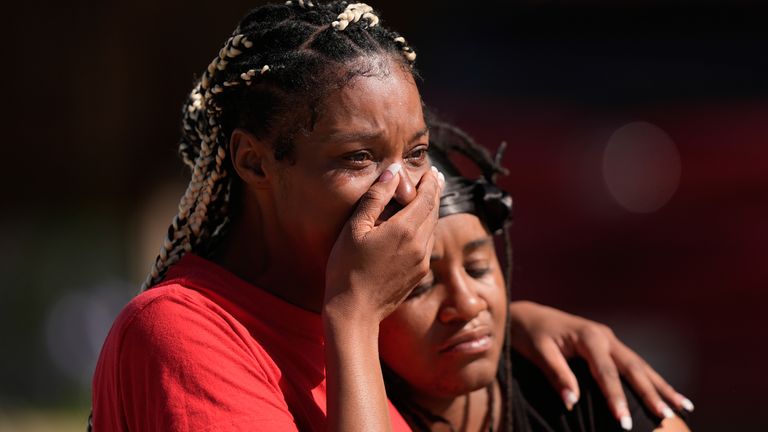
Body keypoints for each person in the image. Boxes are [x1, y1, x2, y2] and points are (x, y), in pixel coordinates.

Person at [91, 2, 692, 431]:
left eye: (417, 154)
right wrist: (353, 316)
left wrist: (504, 330)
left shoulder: (379, 326)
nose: (404, 192)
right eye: (358, 158)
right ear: (254, 162)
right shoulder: (182, 335)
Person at [377, 120, 693, 431]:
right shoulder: (339, 408)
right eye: (421, 285)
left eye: (478, 268)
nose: (469, 303)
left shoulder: (581, 392)